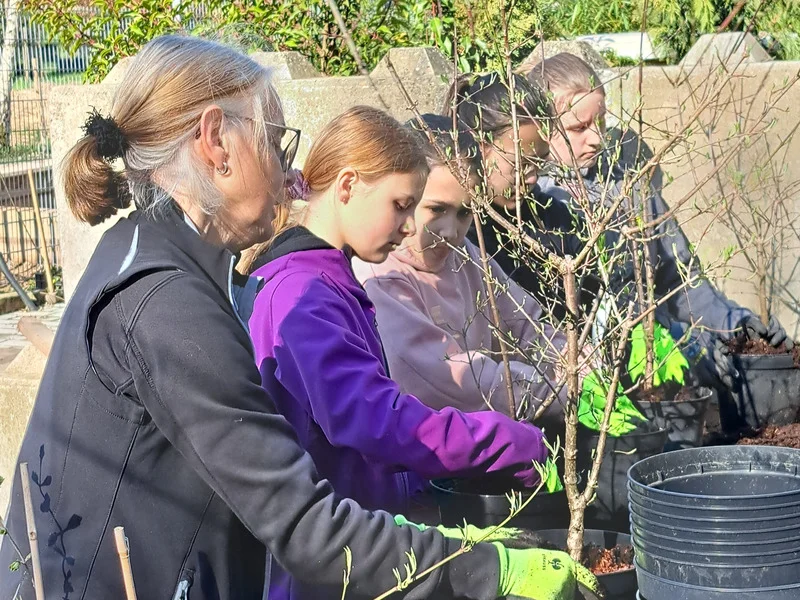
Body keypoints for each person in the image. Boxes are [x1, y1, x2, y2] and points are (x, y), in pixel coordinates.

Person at [0, 36, 598, 600]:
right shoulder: (169, 309)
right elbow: (304, 524)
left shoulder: (144, 253)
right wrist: (481, 570)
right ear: (216, 143)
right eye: (276, 141)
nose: (290, 174)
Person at [246, 105, 577, 599]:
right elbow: (374, 419)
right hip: (330, 572)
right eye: (402, 205)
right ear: (348, 185)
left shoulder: (330, 281)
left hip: (364, 547)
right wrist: (505, 443)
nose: (407, 227)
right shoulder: (303, 295)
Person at [523, 52, 792, 395]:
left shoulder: (629, 190)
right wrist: (688, 345)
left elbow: (681, 279)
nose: (597, 139)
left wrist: (736, 327)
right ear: (539, 130)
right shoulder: (536, 207)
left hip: (660, 361)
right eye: (578, 127)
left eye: (602, 123)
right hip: (593, 386)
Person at [352, 113, 568, 425]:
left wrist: (573, 365)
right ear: (404, 198)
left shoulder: (464, 255)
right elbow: (448, 378)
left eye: (465, 213)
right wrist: (556, 392)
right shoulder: (379, 274)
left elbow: (527, 325)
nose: (451, 231)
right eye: (436, 209)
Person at [444, 73, 587, 325]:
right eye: (520, 164)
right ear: (477, 147)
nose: (531, 178)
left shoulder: (558, 223)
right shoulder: (455, 233)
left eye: (539, 163)